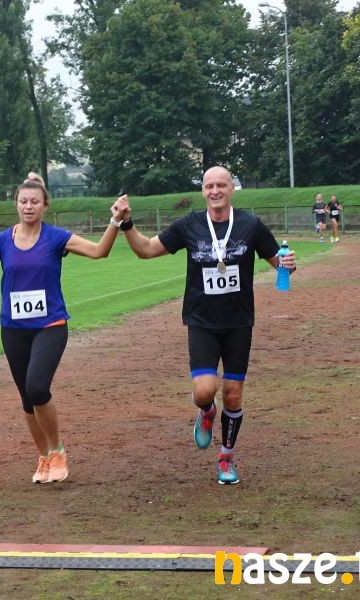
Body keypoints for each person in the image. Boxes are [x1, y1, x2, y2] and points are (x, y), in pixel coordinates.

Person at [112, 166, 296, 485]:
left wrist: (288, 264)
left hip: (238, 322)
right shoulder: (190, 224)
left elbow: (278, 263)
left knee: (233, 396)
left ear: (232, 189)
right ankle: (207, 411)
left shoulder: (251, 225)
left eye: (221, 185)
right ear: (202, 191)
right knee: (204, 391)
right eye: (209, 186)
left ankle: (226, 458)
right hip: (201, 322)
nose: (215, 191)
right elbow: (146, 249)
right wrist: (126, 223)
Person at [0, 173, 128, 484]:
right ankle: (44, 457)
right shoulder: (3, 240)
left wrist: (115, 222)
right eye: (23, 201)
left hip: (50, 325)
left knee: (37, 388)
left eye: (34, 201)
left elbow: (99, 251)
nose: (28, 206)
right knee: (26, 398)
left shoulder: (56, 237)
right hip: (13, 328)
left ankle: (57, 451)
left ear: (45, 205)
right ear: (16, 204)